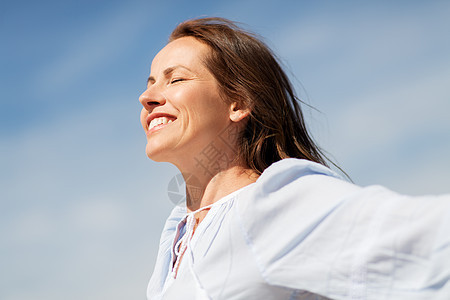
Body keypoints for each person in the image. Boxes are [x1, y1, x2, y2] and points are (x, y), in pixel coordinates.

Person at [139, 17, 450, 300]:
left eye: (176, 79)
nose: (146, 97)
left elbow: (430, 241)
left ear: (238, 103)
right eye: (150, 83)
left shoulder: (271, 204)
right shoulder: (177, 233)